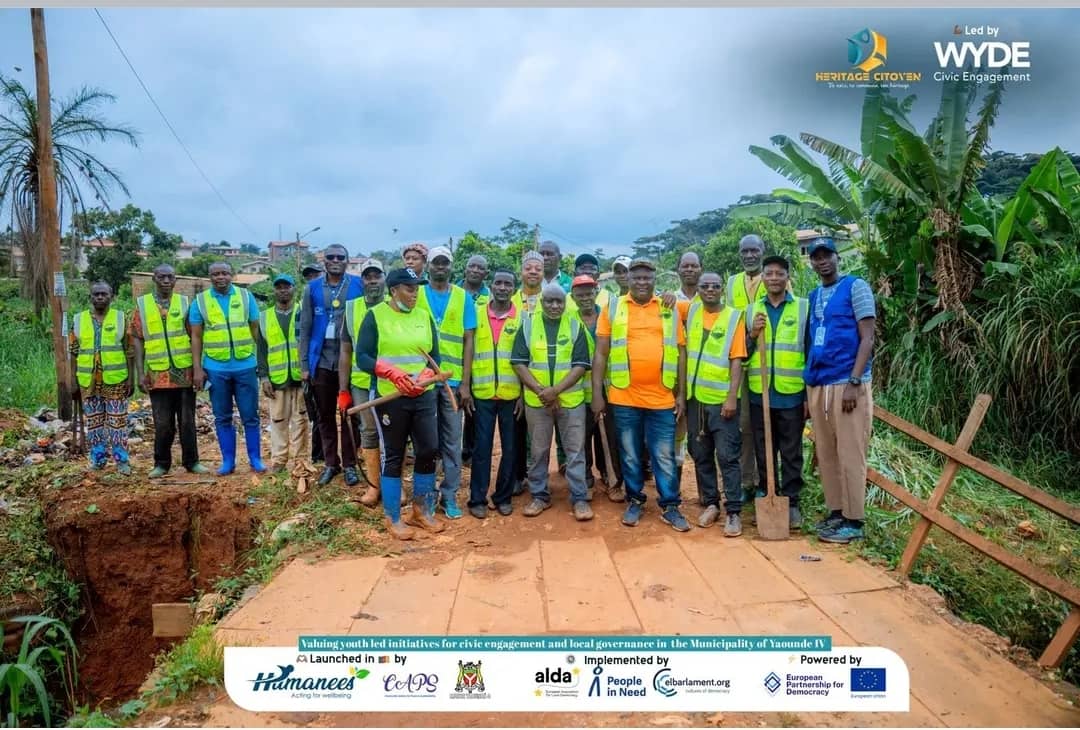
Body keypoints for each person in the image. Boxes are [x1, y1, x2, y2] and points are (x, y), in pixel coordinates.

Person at [592, 259, 691, 531]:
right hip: (624, 397)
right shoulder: (613, 308)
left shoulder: (669, 308)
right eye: (637, 277)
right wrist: (597, 393)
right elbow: (601, 352)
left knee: (664, 455)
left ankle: (670, 505)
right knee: (630, 454)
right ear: (628, 280)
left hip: (662, 398)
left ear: (655, 281)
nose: (642, 282)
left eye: (647, 277)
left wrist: (681, 394)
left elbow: (681, 352)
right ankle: (634, 500)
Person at [355, 267, 445, 540]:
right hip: (390, 398)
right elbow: (363, 357)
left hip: (422, 395)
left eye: (417, 288)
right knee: (394, 454)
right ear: (393, 290)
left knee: (428, 449)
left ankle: (421, 512)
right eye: (409, 288)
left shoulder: (423, 316)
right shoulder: (375, 316)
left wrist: (426, 376)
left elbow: (435, 356)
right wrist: (390, 373)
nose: (415, 293)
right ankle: (393, 517)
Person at [803, 237, 875, 544]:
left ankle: (854, 520)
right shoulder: (814, 295)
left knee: (850, 452)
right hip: (820, 382)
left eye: (827, 255)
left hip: (847, 383)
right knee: (827, 452)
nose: (822, 261)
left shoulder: (856, 287)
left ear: (837, 257)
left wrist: (854, 382)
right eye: (816, 257)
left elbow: (868, 338)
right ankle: (836, 512)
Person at [511, 284, 593, 521]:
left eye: (559, 301)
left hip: (571, 402)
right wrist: (542, 392)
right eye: (549, 301)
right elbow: (518, 362)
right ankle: (539, 496)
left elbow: (581, 365)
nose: (555, 306)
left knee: (575, 451)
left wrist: (555, 391)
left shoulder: (575, 325)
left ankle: (579, 498)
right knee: (539, 451)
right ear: (541, 302)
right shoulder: (528, 325)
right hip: (537, 403)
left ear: (566, 303)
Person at [746, 256, 809, 530]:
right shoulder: (751, 311)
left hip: (791, 393)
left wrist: (807, 396)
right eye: (769, 273)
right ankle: (767, 491)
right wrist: (752, 334)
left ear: (787, 277)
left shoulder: (803, 308)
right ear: (762, 278)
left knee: (791, 451)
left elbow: (810, 352)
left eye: (779, 273)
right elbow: (742, 352)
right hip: (759, 393)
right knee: (763, 448)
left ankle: (792, 501)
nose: (773, 278)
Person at [685, 272, 748, 536]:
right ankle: (711, 503)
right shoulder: (691, 311)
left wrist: (732, 396)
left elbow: (737, 359)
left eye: (715, 286)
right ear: (697, 289)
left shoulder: (733, 317)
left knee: (727, 455)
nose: (710, 290)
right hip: (695, 399)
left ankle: (733, 511)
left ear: (722, 289)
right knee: (700, 453)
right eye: (704, 286)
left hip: (723, 401)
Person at [131, 264, 208, 478]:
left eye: (170, 277)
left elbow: (196, 336)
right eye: (161, 277)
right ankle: (162, 464)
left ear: (175, 280)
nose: (166, 281)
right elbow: (137, 339)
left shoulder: (185, 304)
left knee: (187, 421)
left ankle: (192, 462)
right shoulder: (142, 306)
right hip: (157, 374)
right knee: (162, 422)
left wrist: (198, 368)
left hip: (184, 373)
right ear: (154, 279)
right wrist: (140, 373)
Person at [417, 246, 475, 519]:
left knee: (452, 440)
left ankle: (449, 495)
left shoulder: (463, 297)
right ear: (428, 266)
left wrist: (465, 383)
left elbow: (469, 341)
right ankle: (427, 495)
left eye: (445, 263)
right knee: (427, 441)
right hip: (424, 381)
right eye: (436, 262)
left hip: (452, 381)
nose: (440, 267)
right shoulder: (417, 294)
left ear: (451, 266)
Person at [190, 262, 265, 474]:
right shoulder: (200, 301)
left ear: (232, 275)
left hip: (245, 365)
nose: (220, 277)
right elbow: (196, 337)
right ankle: (228, 461)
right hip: (215, 368)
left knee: (250, 415)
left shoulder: (245, 297)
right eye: (215, 274)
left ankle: (255, 459)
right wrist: (197, 368)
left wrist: (261, 362)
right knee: (222, 416)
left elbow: (255, 330)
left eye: (224, 273)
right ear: (210, 277)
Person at [298, 243, 363, 487]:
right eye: (331, 257)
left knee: (349, 415)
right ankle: (330, 463)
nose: (335, 260)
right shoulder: (312, 288)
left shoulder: (358, 285)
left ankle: (350, 465)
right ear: (324, 261)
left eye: (340, 257)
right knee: (324, 416)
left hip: (350, 362)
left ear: (347, 260)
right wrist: (305, 365)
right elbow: (305, 329)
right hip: (321, 362)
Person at [465, 268, 522, 519]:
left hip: (512, 395)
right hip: (482, 393)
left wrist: (524, 395)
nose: (502, 288)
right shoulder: (476, 314)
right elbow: (467, 352)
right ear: (491, 285)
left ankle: (503, 497)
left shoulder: (522, 318)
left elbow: (527, 359)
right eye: (498, 283)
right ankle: (477, 499)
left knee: (510, 449)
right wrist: (465, 386)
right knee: (482, 448)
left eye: (508, 284)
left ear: (514, 288)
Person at [339, 259, 390, 506]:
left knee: (393, 433)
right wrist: (343, 389)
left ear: (384, 279)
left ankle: (393, 485)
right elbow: (345, 350)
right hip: (361, 382)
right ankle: (373, 486)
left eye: (377, 276)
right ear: (362, 281)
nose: (372, 281)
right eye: (368, 277)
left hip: (391, 381)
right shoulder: (351, 309)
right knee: (368, 432)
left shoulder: (394, 306)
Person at [70, 281, 133, 474]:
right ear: (90, 297)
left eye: (103, 294)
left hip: (115, 380)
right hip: (88, 382)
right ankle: (98, 460)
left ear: (111, 297)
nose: (99, 297)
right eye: (96, 294)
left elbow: (129, 350)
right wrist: (73, 381)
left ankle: (121, 461)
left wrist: (131, 379)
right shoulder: (79, 320)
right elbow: (73, 352)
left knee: (117, 423)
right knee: (94, 423)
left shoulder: (121, 318)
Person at [571, 274, 621, 497]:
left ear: (596, 293)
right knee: (581, 439)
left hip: (608, 390)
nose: (585, 298)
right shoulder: (569, 321)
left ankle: (612, 479)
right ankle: (586, 480)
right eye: (580, 295)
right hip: (578, 392)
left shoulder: (609, 317)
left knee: (609, 438)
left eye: (589, 293)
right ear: (573, 297)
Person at [729, 234, 768, 504]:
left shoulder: (774, 277)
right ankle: (746, 481)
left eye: (754, 250)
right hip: (741, 361)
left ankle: (767, 482)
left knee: (766, 426)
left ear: (762, 251)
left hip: (768, 364)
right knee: (744, 428)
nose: (750, 255)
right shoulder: (732, 282)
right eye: (745, 251)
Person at [257, 273, 307, 472]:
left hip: (300, 376)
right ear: (274, 291)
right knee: (278, 420)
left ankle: (301, 459)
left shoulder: (303, 312)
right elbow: (261, 350)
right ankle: (279, 460)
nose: (283, 290)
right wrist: (263, 377)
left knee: (301, 419)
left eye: (287, 286)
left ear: (294, 289)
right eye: (279, 287)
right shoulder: (265, 317)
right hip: (277, 379)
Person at [458, 254, 490, 467]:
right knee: (451, 409)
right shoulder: (453, 292)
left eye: (480, 268)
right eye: (472, 266)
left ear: (486, 273)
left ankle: (469, 451)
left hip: (478, 360)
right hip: (453, 357)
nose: (476, 270)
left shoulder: (491, 296)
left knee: (472, 408)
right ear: (465, 269)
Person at [300, 262, 326, 465]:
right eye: (308, 277)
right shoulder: (304, 307)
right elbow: (303, 337)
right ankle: (319, 455)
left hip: (337, 362)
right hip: (314, 365)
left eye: (315, 276)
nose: (312, 280)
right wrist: (305, 366)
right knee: (319, 414)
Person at [512, 250, 545, 315]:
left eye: (538, 269)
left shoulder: (551, 300)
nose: (533, 272)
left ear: (544, 274)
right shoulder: (510, 301)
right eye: (528, 268)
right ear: (520, 273)